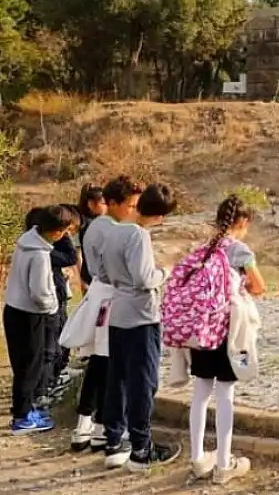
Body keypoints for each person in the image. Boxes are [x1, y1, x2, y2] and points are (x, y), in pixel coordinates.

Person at [185, 195, 265, 485]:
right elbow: (259, 285)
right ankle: (223, 463)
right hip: (231, 330)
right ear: (242, 222)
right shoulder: (239, 249)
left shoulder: (204, 248)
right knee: (226, 392)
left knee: (201, 391)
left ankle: (197, 459)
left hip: (202, 329)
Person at [99, 183, 180, 471]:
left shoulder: (113, 229)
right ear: (160, 215)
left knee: (117, 378)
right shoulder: (138, 235)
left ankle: (114, 440)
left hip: (118, 311)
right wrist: (165, 271)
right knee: (143, 382)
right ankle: (142, 448)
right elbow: (146, 279)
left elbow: (103, 273)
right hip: (142, 315)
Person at [71, 176, 140, 453]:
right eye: (131, 204)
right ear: (113, 203)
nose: (134, 210)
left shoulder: (97, 226)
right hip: (111, 295)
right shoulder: (112, 229)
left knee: (100, 363)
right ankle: (101, 426)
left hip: (101, 292)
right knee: (108, 364)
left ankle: (87, 425)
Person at [5, 205, 78, 434]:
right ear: (57, 232)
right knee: (31, 366)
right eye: (65, 231)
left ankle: (23, 409)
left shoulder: (26, 241)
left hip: (14, 310)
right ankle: (23, 418)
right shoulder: (39, 255)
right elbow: (39, 292)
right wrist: (52, 307)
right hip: (31, 315)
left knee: (23, 365)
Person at [39, 202, 80, 409]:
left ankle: (54, 377)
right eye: (66, 230)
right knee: (50, 345)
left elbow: (70, 257)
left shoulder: (47, 246)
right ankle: (45, 389)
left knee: (60, 339)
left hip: (58, 295)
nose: (67, 233)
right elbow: (70, 257)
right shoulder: (39, 248)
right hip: (49, 300)